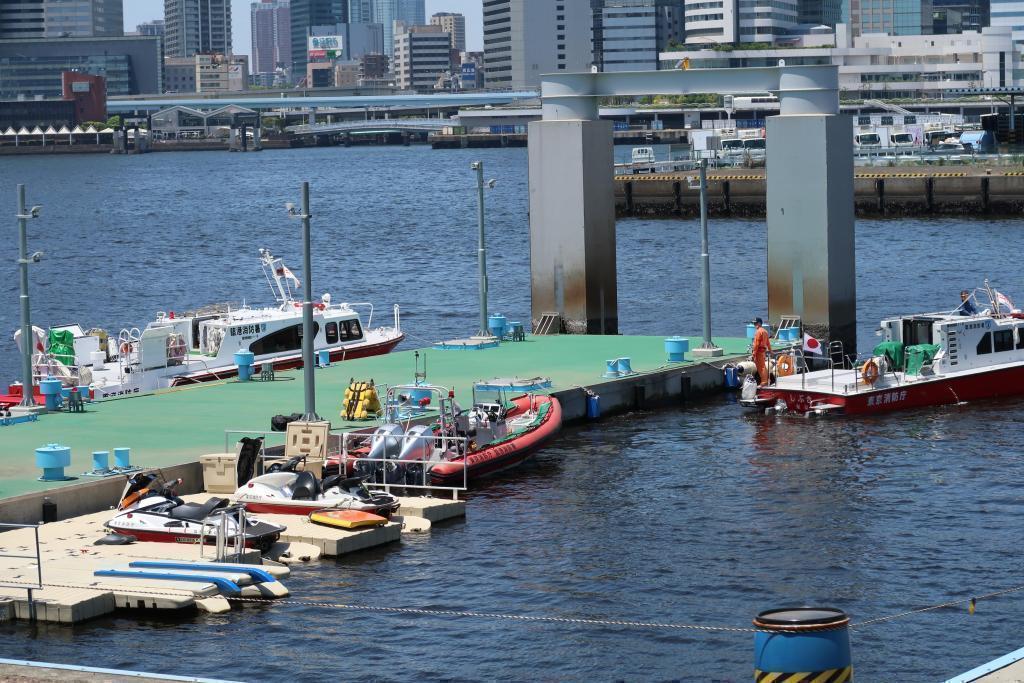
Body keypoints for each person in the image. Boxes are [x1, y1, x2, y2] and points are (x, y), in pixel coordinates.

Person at [751, 317, 771, 386]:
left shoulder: (758, 332)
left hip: (759, 351)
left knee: (760, 367)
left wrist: (754, 353)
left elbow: (756, 344)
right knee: (763, 366)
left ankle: (764, 381)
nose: (754, 325)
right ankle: (767, 380)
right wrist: (771, 350)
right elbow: (768, 342)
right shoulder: (765, 331)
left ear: (759, 323)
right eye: (754, 323)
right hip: (763, 351)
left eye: (755, 323)